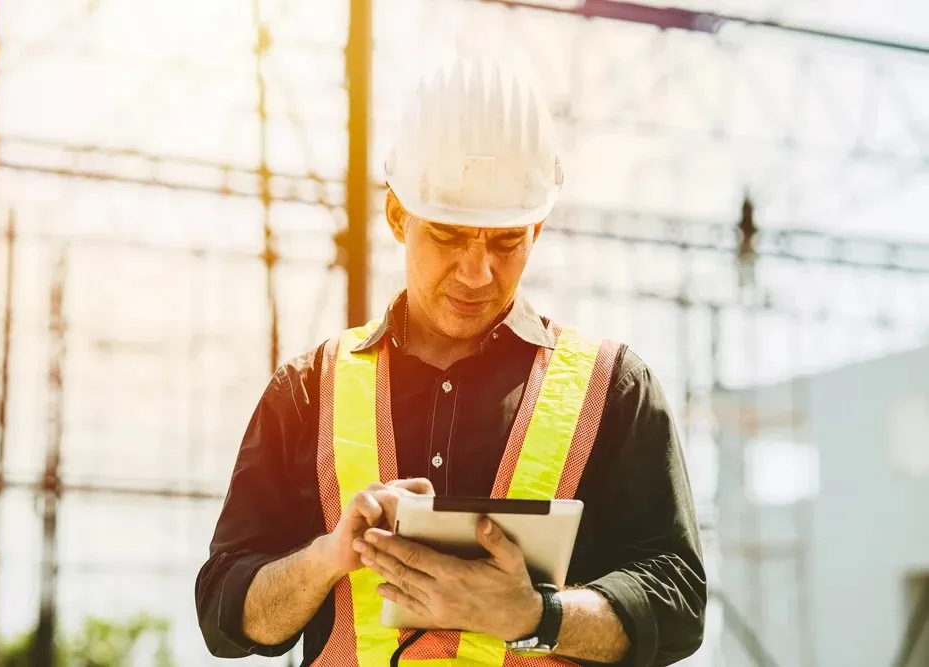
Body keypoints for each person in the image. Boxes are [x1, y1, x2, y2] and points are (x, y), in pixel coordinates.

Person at [195, 57, 706, 667]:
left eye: (506, 241)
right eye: (447, 235)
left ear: (536, 230)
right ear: (396, 217)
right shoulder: (310, 390)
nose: (476, 272)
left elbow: (678, 605)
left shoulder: (613, 389)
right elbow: (225, 616)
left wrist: (537, 616)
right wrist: (329, 557)